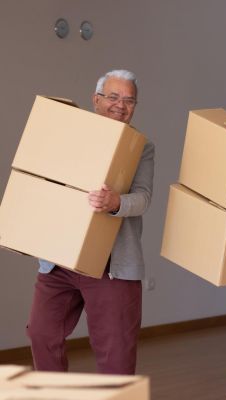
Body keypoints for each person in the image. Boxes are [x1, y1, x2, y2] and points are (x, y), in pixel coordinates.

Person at [26, 69, 155, 375]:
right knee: (41, 333)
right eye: (112, 97)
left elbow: (144, 198)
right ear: (96, 100)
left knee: (116, 354)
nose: (120, 105)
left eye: (129, 100)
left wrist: (116, 203)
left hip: (112, 266)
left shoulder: (141, 147)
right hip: (60, 261)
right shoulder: (69, 136)